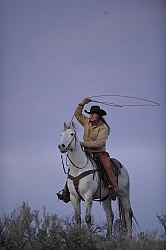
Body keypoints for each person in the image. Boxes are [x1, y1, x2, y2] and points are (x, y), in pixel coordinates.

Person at [57, 97, 118, 202]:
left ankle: (113, 188)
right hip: (86, 152)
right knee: (73, 168)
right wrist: (82, 103)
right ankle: (67, 190)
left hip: (99, 152)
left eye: (93, 114)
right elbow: (77, 115)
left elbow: (100, 143)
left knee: (107, 166)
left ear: (98, 116)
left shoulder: (104, 127)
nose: (91, 116)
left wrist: (82, 143)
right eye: (90, 114)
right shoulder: (86, 122)